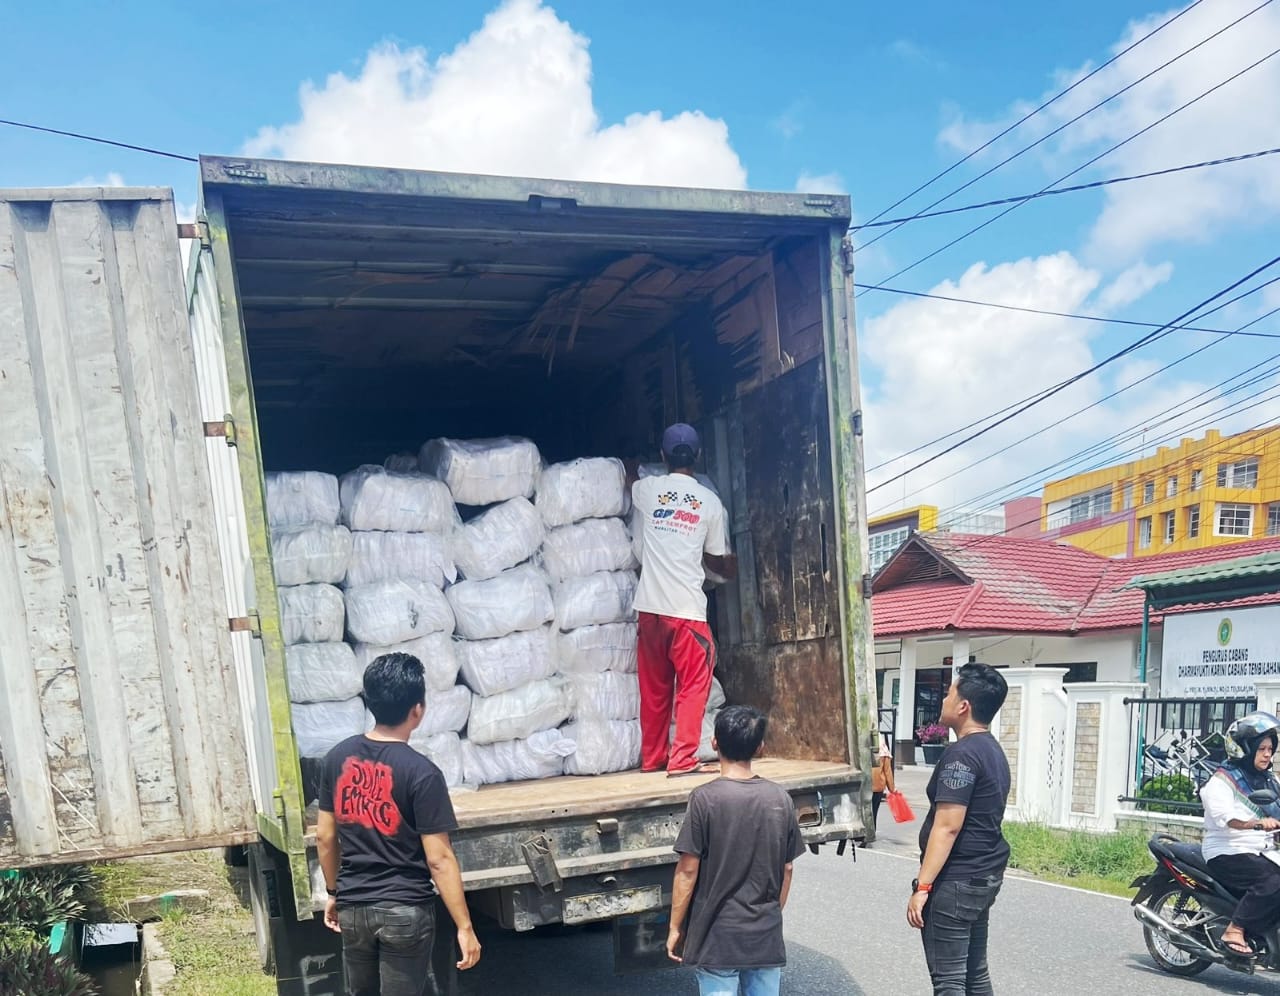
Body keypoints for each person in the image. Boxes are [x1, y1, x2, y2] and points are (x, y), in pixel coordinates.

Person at [317, 653, 481, 995]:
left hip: (354, 908)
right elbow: (439, 859)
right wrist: (464, 926)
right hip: (404, 911)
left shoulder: (336, 758)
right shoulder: (422, 773)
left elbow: (325, 838)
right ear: (417, 710)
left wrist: (334, 892)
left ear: (370, 702)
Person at [667, 705, 805, 996]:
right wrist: (768, 915)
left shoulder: (705, 799)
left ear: (714, 742)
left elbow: (688, 870)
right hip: (763, 936)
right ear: (760, 747)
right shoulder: (780, 798)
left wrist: (675, 927)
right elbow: (787, 868)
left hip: (718, 936)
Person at [630, 423, 736, 776]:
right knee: (693, 686)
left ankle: (653, 758)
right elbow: (717, 557)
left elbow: (627, 476)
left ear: (662, 457)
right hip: (687, 611)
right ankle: (683, 760)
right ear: (699, 456)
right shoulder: (710, 503)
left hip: (649, 610)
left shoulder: (647, 490)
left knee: (655, 689)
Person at [907, 662, 1010, 996]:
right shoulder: (992, 750)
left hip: (956, 882)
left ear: (964, 706)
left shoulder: (961, 756)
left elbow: (947, 827)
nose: (943, 700)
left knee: (949, 981)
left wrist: (923, 887)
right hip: (983, 876)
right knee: (974, 975)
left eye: (949, 693)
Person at [1200, 710, 1280, 958]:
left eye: (1270, 749)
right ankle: (1235, 929)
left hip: (1264, 850)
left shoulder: (1269, 780)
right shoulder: (1221, 781)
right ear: (1245, 749)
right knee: (1274, 880)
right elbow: (1225, 818)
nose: (1267, 754)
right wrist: (1257, 824)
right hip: (1228, 849)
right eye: (1261, 749)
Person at [871, 739, 897, 826]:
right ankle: (871, 832)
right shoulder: (883, 750)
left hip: (863, 785)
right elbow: (887, 771)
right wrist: (892, 789)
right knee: (873, 811)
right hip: (877, 785)